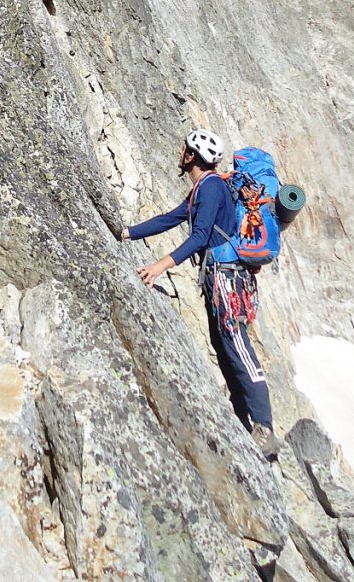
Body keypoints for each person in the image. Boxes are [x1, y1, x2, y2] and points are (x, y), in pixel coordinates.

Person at [121, 128, 281, 459]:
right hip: (219, 277)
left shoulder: (210, 188)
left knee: (235, 343)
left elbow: (199, 236)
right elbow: (169, 219)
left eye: (185, 149)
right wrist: (127, 234)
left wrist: (159, 266)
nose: (180, 152)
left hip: (226, 278)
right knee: (224, 347)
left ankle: (264, 427)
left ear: (192, 156)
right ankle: (243, 421)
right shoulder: (203, 190)